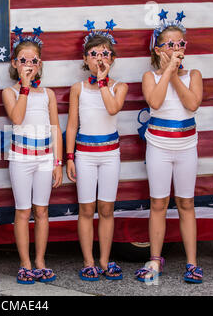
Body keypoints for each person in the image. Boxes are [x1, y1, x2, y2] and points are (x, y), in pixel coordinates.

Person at [135, 10, 203, 284]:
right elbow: (155, 102)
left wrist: (175, 74)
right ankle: (154, 259)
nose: (177, 48)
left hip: (187, 146)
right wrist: (166, 72)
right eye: (170, 44)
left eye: (180, 44)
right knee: (158, 203)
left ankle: (192, 262)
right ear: (158, 49)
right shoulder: (150, 77)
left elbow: (192, 104)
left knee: (186, 203)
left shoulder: (194, 75)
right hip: (159, 147)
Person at [65, 20, 128, 281]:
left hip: (110, 154)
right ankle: (89, 260)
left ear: (112, 58)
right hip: (85, 155)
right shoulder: (77, 89)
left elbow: (113, 109)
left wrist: (103, 83)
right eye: (94, 54)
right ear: (85, 59)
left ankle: (104, 259)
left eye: (104, 53)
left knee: (106, 208)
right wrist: (69, 157)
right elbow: (71, 125)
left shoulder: (118, 86)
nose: (99, 58)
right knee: (86, 209)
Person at [2, 26, 63, 284]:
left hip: (44, 158)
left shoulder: (48, 94)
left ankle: (40, 260)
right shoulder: (10, 92)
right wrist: (25, 87)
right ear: (15, 64)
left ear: (40, 64)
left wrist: (57, 161)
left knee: (42, 210)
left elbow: (56, 128)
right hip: (20, 159)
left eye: (33, 61)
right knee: (23, 211)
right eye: (23, 60)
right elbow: (16, 119)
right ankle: (25, 263)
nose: (29, 64)